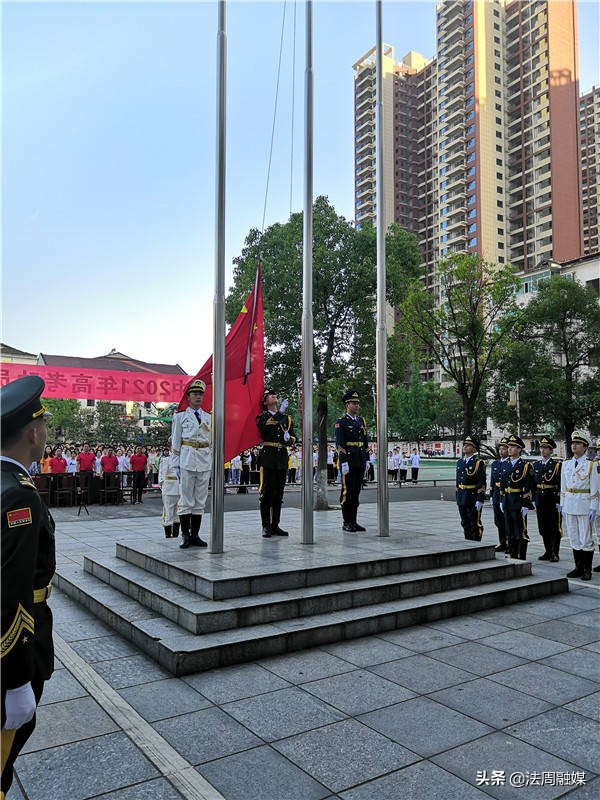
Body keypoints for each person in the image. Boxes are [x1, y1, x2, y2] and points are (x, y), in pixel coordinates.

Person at [1, 376, 55, 797]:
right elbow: (11, 592)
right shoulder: (18, 496)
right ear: (34, 432)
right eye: (45, 426)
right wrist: (17, 679)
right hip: (15, 646)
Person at [171, 378, 212, 549]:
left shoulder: (208, 416)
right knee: (186, 500)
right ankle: (185, 536)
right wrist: (176, 464)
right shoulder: (180, 417)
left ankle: (195, 535)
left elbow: (211, 441)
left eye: (200, 394)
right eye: (195, 393)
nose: (198, 397)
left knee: (200, 501)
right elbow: (175, 441)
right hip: (187, 460)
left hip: (204, 460)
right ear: (188, 396)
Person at [256, 390, 296, 538]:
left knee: (279, 494)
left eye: (275, 395)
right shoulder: (263, 417)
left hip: (281, 458)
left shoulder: (286, 418)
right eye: (271, 396)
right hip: (268, 457)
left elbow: (293, 437)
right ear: (266, 402)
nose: (275, 397)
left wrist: (289, 439)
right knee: (266, 493)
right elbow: (265, 430)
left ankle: (275, 525)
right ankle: (265, 525)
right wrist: (280, 412)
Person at [560, 431, 600, 581]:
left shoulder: (591, 465)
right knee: (574, 537)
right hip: (570, 503)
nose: (574, 446)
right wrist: (562, 505)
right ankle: (578, 567)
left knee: (586, 539)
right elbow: (563, 488)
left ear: (585, 447)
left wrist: (593, 507)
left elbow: (595, 489)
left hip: (584, 505)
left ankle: (587, 570)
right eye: (572, 443)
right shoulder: (566, 464)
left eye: (577, 443)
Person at [335, 389, 369, 532]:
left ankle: (354, 521)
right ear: (347, 405)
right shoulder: (341, 422)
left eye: (357, 403)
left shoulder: (361, 421)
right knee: (347, 492)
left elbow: (365, 441)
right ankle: (346, 521)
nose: (357, 406)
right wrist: (343, 461)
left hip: (359, 459)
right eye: (354, 403)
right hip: (348, 460)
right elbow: (340, 444)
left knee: (356, 492)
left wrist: (367, 459)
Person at [499, 434, 535, 560]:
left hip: (519, 501)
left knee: (520, 530)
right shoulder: (505, 465)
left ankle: (521, 555)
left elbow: (529, 487)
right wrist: (501, 500)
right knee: (509, 530)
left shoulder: (525, 466)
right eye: (509, 446)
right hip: (508, 500)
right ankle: (513, 554)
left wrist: (526, 504)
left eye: (513, 447)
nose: (510, 449)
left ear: (519, 449)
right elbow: (502, 486)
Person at [533, 435, 562, 563]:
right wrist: (533, 499)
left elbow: (561, 484)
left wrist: (559, 501)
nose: (543, 450)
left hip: (552, 498)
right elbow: (534, 484)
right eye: (541, 448)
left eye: (546, 448)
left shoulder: (556, 465)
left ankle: (555, 552)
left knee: (554, 527)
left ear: (551, 450)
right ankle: (547, 551)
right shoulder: (536, 465)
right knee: (543, 526)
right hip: (540, 498)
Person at [455, 434, 486, 541]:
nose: (465, 447)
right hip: (462, 496)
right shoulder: (460, 462)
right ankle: (468, 543)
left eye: (468, 445)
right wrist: (457, 496)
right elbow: (457, 481)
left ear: (474, 448)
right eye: (464, 445)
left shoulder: (478, 463)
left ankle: (476, 544)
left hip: (472, 496)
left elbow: (481, 483)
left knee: (474, 523)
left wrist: (480, 499)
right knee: (464, 522)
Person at [489, 436, 510, 552]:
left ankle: (508, 543)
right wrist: (491, 495)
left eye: (504, 449)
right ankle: (502, 542)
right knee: (498, 520)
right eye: (500, 449)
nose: (501, 451)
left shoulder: (510, 463)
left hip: (506, 494)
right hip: (497, 493)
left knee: (507, 520)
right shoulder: (495, 464)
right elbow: (492, 481)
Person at [158, 444, 180, 539]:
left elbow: (162, 476)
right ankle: (172, 535)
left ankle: (172, 535)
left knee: (171, 513)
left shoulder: (167, 460)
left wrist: (163, 487)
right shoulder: (168, 459)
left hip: (173, 488)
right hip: (175, 488)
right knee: (173, 513)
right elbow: (162, 476)